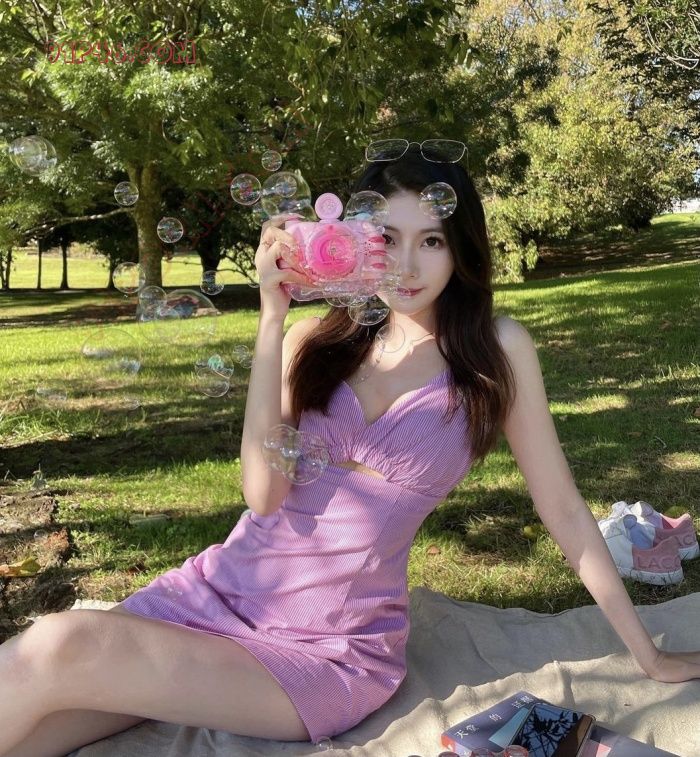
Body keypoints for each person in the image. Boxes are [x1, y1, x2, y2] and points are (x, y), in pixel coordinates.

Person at [1, 142, 698, 757]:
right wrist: (272, 318)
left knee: (63, 643)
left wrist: (648, 654)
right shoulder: (315, 340)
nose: (408, 264)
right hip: (210, 596)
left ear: (461, 246)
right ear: (357, 238)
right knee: (33, 718)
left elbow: (565, 510)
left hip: (325, 654)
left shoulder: (495, 350)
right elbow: (263, 495)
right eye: (387, 238)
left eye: (432, 240)